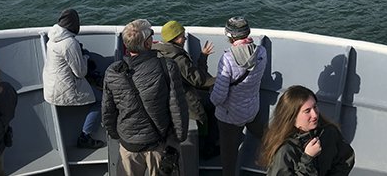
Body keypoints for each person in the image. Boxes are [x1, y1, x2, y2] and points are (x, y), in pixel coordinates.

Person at [102, 19, 189, 175]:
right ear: (147, 44)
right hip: (159, 143)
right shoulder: (167, 66)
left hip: (129, 144)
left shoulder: (113, 72)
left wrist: (118, 135)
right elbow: (177, 106)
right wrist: (178, 138)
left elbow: (108, 111)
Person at [209, 16, 267, 176]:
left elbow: (219, 98)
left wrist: (211, 96)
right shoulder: (261, 52)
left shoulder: (227, 59)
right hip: (252, 109)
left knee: (229, 155)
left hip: (230, 116)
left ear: (230, 36)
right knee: (263, 133)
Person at [151, 20, 218, 157]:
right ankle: (205, 148)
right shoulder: (178, 59)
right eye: (182, 36)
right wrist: (204, 58)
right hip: (185, 98)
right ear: (175, 39)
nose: (185, 38)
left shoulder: (159, 52)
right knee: (206, 112)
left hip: (168, 97)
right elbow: (199, 80)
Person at [42, 8, 106, 148]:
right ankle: (85, 136)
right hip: (63, 90)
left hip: (51, 85)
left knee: (84, 53)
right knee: (101, 100)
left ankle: (94, 82)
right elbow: (80, 73)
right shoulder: (69, 43)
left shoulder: (52, 38)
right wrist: (86, 58)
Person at [260, 85, 354, 176]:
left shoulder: (328, 132)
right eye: (307, 111)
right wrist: (308, 158)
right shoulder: (285, 150)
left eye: (315, 107)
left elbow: (346, 159)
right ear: (292, 116)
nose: (315, 115)